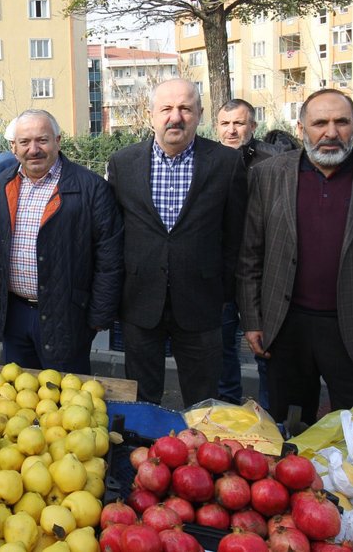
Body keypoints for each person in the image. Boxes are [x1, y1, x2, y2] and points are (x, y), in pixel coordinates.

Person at [237, 89, 353, 427]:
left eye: (341, 122)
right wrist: (252, 319)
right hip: (287, 328)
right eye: (319, 123)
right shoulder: (268, 175)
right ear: (301, 129)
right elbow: (251, 255)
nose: (331, 132)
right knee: (290, 432)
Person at [106, 79, 247, 407]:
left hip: (202, 302)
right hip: (140, 301)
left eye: (185, 108)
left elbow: (236, 236)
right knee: (141, 399)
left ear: (199, 114)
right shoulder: (123, 163)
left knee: (204, 401)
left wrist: (223, 291)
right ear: (152, 114)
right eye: (166, 108)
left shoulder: (226, 164)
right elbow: (114, 234)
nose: (176, 117)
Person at [0, 109, 124, 374]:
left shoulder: (92, 188)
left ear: (58, 141)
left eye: (42, 140)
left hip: (67, 315)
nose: (34, 149)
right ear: (13, 148)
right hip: (14, 313)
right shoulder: (2, 184)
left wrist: (99, 314)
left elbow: (110, 256)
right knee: (17, 398)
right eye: (25, 142)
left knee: (67, 399)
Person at [215, 98, 278, 407]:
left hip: (262, 273)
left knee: (265, 347)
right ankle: (228, 410)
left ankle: (269, 414)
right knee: (224, 349)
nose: (232, 130)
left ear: (252, 126)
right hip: (223, 275)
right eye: (225, 124)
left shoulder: (272, 162)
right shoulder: (208, 161)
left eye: (238, 123)